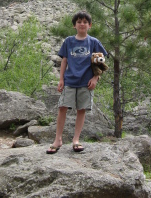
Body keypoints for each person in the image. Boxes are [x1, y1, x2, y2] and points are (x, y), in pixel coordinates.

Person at [46, 10, 107, 154]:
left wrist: (95, 78)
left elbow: (101, 63)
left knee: (81, 110)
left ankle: (76, 140)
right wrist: (61, 79)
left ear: (90, 25)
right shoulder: (68, 41)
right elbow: (64, 60)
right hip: (70, 80)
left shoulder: (93, 42)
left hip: (86, 82)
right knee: (62, 108)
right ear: (74, 25)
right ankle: (58, 139)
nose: (82, 24)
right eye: (79, 22)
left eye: (85, 22)